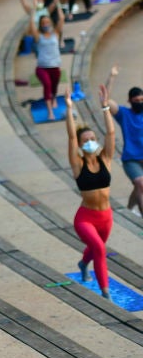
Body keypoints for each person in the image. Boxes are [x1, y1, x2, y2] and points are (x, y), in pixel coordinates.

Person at [64, 84, 115, 299]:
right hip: (85, 218)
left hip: (106, 217)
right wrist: (69, 108)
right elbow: (71, 138)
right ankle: (105, 292)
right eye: (86, 140)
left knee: (97, 248)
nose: (90, 142)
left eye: (93, 139)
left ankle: (83, 264)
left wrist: (105, 108)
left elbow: (111, 133)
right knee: (100, 250)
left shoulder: (105, 159)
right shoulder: (78, 164)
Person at [103, 67, 143, 216]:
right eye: (136, 101)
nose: (139, 102)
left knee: (139, 187)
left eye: (141, 100)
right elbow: (106, 100)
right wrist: (112, 77)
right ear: (130, 101)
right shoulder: (124, 114)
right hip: (131, 159)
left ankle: (129, 209)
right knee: (140, 183)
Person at [25, 0, 64, 121]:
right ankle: (50, 112)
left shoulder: (56, 34)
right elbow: (32, 25)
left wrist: (58, 1)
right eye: (43, 23)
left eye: (47, 22)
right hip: (42, 67)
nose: (46, 24)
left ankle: (53, 99)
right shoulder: (39, 36)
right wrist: (34, 9)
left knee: (54, 87)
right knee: (47, 85)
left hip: (55, 66)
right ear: (41, 25)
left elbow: (61, 18)